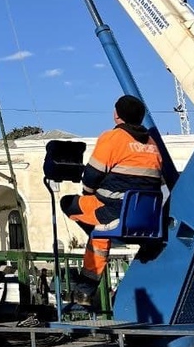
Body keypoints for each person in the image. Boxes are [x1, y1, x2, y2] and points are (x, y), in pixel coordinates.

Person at [61, 95, 163, 306]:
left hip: (113, 210)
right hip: (146, 215)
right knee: (99, 229)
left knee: (69, 204)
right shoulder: (152, 143)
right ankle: (101, 234)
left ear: (117, 115)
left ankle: (84, 290)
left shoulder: (112, 138)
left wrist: (88, 193)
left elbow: (92, 175)